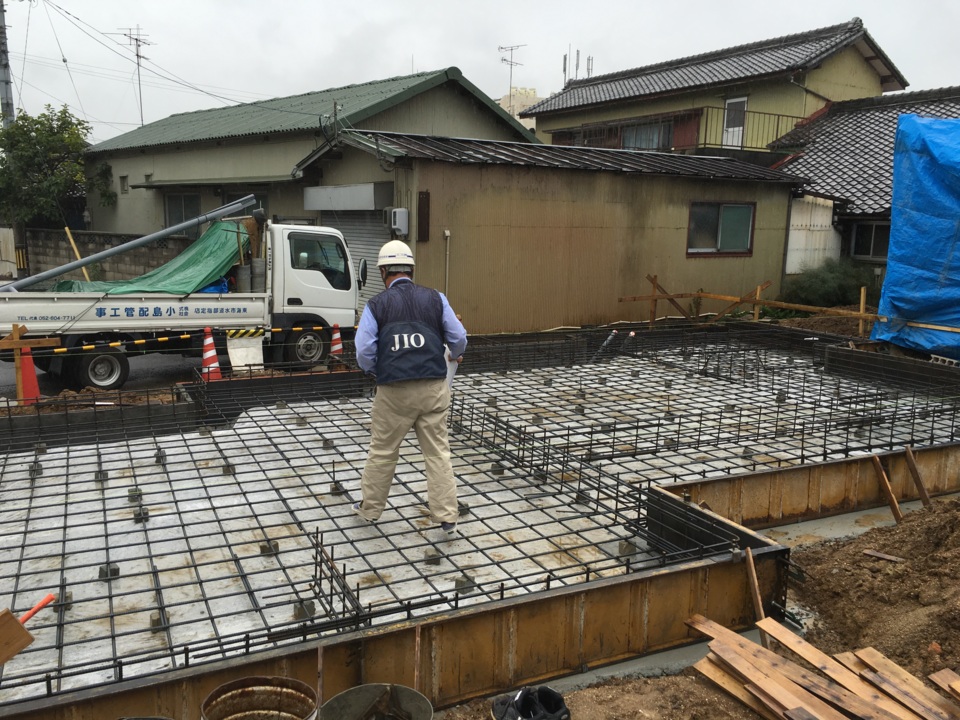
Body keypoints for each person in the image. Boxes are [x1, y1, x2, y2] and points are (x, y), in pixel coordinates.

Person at [352, 239, 468, 534]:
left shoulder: (376, 305)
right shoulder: (436, 298)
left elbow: (364, 350)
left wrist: (378, 370)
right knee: (438, 453)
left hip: (394, 393)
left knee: (383, 451)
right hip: (433, 388)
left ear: (383, 270)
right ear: (411, 269)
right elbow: (459, 337)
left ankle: (370, 511)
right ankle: (447, 516)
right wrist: (454, 353)